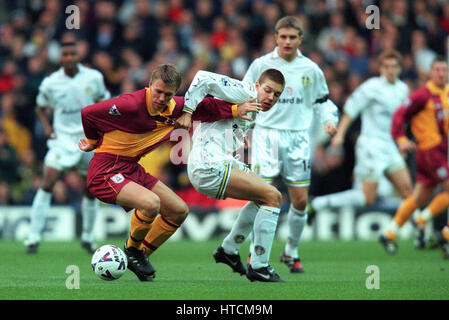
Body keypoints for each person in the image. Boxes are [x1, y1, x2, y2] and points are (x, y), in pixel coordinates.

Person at [79, 64, 259, 281]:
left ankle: (140, 256)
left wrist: (234, 110)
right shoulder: (131, 104)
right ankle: (132, 250)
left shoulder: (177, 107)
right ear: (149, 85)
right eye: (158, 91)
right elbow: (88, 113)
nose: (162, 98)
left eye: (168, 94)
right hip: (105, 170)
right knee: (151, 204)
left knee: (178, 210)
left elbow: (206, 107)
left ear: (175, 93)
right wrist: (91, 141)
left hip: (131, 167)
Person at [242, 16, 338, 273]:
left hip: (298, 138)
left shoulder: (311, 69)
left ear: (300, 39)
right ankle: (256, 254)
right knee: (260, 196)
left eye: (292, 37)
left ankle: (291, 251)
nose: (287, 41)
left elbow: (322, 101)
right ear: (275, 37)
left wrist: (328, 120)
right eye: (282, 36)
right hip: (266, 136)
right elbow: (245, 95)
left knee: (300, 201)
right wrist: (241, 129)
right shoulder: (260, 64)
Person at [176, 68, 287, 282]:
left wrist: (237, 137)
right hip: (209, 164)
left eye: (277, 95)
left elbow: (222, 122)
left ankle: (229, 249)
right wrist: (188, 112)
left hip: (217, 162)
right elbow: (202, 77)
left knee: (263, 197)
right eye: (268, 90)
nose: (271, 97)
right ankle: (259, 266)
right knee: (273, 197)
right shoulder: (245, 91)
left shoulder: (252, 106)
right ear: (256, 86)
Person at [309, 50, 413, 241]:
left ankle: (405, 233)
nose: (390, 70)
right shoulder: (371, 87)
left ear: (400, 68)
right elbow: (350, 110)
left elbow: (400, 121)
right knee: (366, 199)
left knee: (408, 191)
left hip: (390, 146)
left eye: (394, 67)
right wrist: (339, 135)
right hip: (370, 146)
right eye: (386, 66)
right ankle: (318, 203)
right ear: (381, 68)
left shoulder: (403, 90)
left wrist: (402, 141)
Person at [25, 41, 111, 254]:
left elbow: (105, 103)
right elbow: (40, 107)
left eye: (73, 53)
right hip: (62, 141)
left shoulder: (94, 78)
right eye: (65, 54)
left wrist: (102, 129)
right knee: (47, 182)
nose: (70, 57)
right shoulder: (51, 82)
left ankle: (88, 238)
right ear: (60, 57)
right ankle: (33, 238)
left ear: (78, 55)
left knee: (90, 189)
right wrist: (47, 127)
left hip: (88, 141)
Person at [379, 56, 449, 258]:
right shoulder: (422, 95)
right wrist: (400, 139)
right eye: (437, 70)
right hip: (430, 151)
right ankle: (441, 232)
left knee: (419, 196)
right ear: (430, 73)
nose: (441, 73)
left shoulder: (445, 92)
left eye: (444, 70)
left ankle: (390, 232)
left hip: (439, 151)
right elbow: (399, 115)